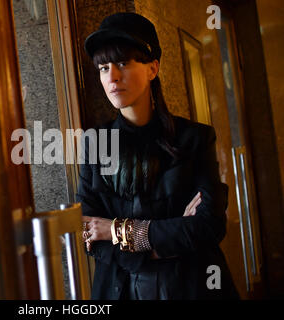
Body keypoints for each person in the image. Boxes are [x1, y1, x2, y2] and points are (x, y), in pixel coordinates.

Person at [76, 12, 239, 300]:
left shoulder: (195, 138)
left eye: (123, 63)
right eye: (103, 68)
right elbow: (90, 235)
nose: (111, 76)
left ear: (153, 68)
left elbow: (207, 226)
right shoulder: (95, 143)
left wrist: (119, 230)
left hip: (191, 288)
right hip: (121, 289)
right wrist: (170, 233)